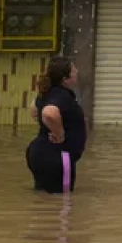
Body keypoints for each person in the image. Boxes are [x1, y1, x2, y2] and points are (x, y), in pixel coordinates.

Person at [26, 57, 87, 194]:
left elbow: (34, 109)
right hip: (58, 155)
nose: (77, 71)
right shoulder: (61, 95)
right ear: (65, 78)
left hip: (40, 152)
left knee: (44, 201)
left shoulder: (47, 92)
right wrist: (60, 134)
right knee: (63, 203)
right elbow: (49, 113)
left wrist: (48, 127)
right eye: (73, 69)